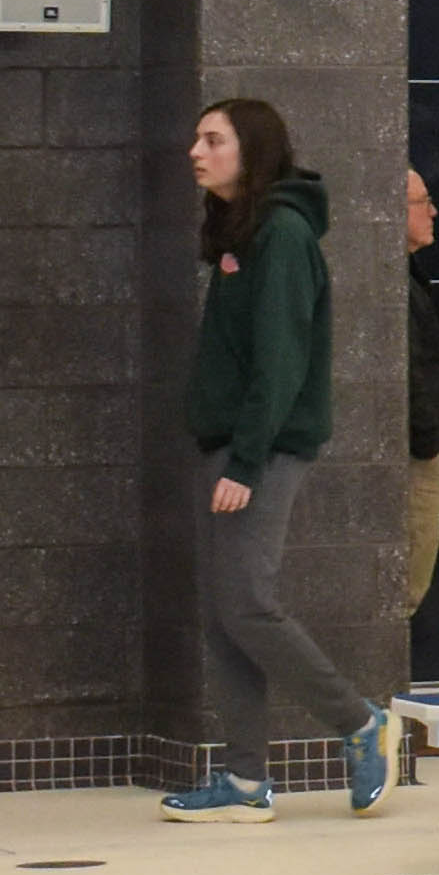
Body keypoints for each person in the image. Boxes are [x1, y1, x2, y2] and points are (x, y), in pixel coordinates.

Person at [168, 98, 393, 825]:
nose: (196, 152)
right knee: (225, 615)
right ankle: (242, 780)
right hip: (230, 442)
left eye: (212, 141)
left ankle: (358, 721)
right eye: (197, 139)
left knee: (250, 607)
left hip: (256, 449)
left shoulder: (284, 235)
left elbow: (281, 360)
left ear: (251, 150)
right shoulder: (244, 230)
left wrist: (245, 462)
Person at [399, 158, 439, 618]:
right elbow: (411, 370)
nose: (434, 212)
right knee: (409, 579)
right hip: (415, 453)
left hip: (422, 446)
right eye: (423, 203)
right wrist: (428, 442)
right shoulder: (397, 287)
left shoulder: (408, 278)